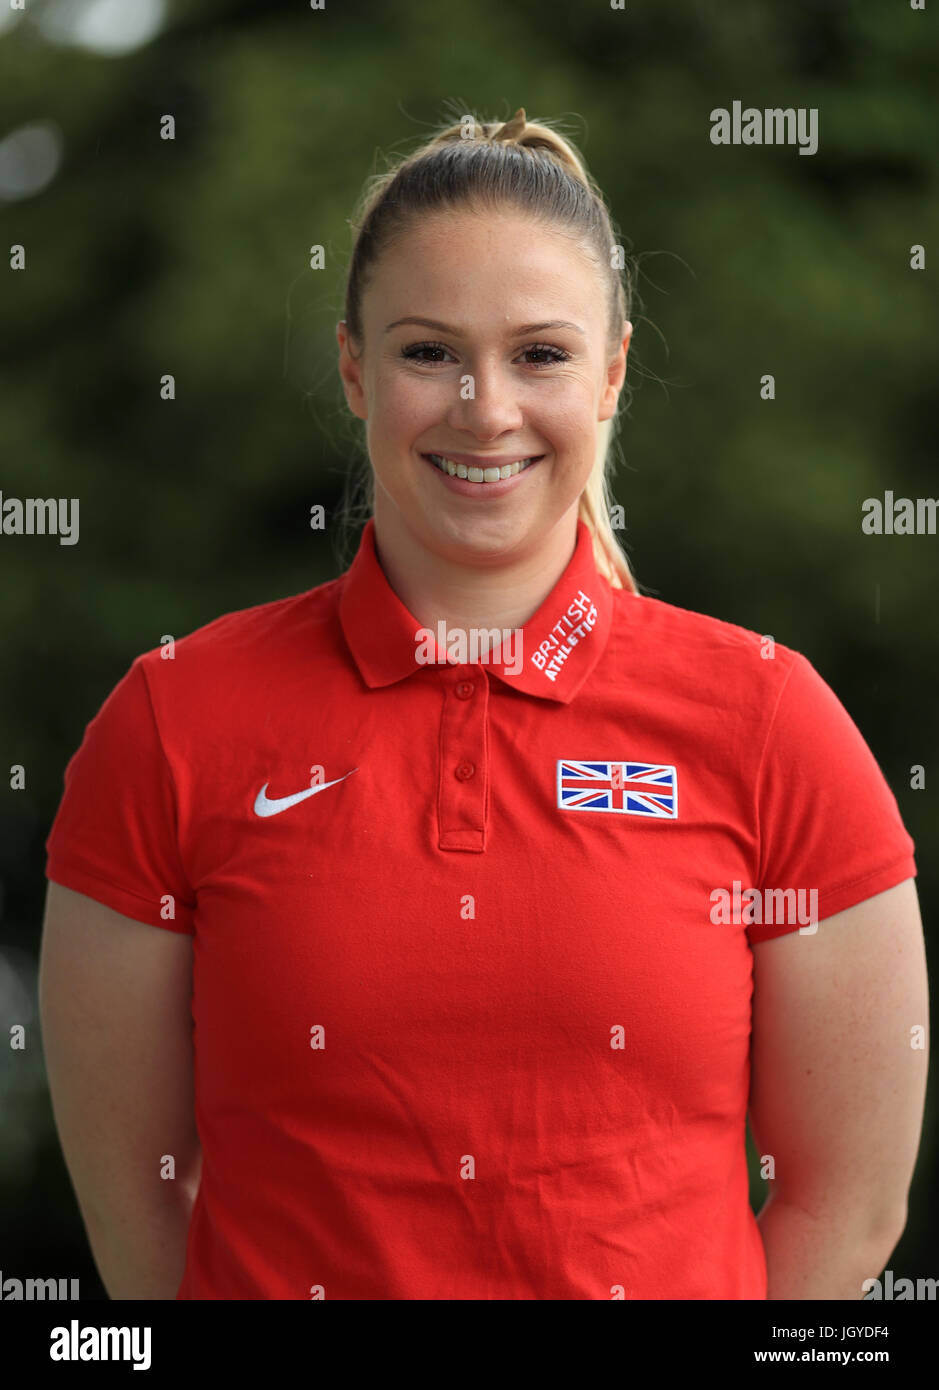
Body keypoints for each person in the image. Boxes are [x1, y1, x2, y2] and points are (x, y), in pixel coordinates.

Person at [39, 107, 927, 1301]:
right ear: (354, 367)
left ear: (611, 374)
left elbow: (849, 1202)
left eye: (541, 355)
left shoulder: (773, 724)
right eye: (427, 352)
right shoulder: (170, 721)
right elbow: (141, 1207)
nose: (485, 407)